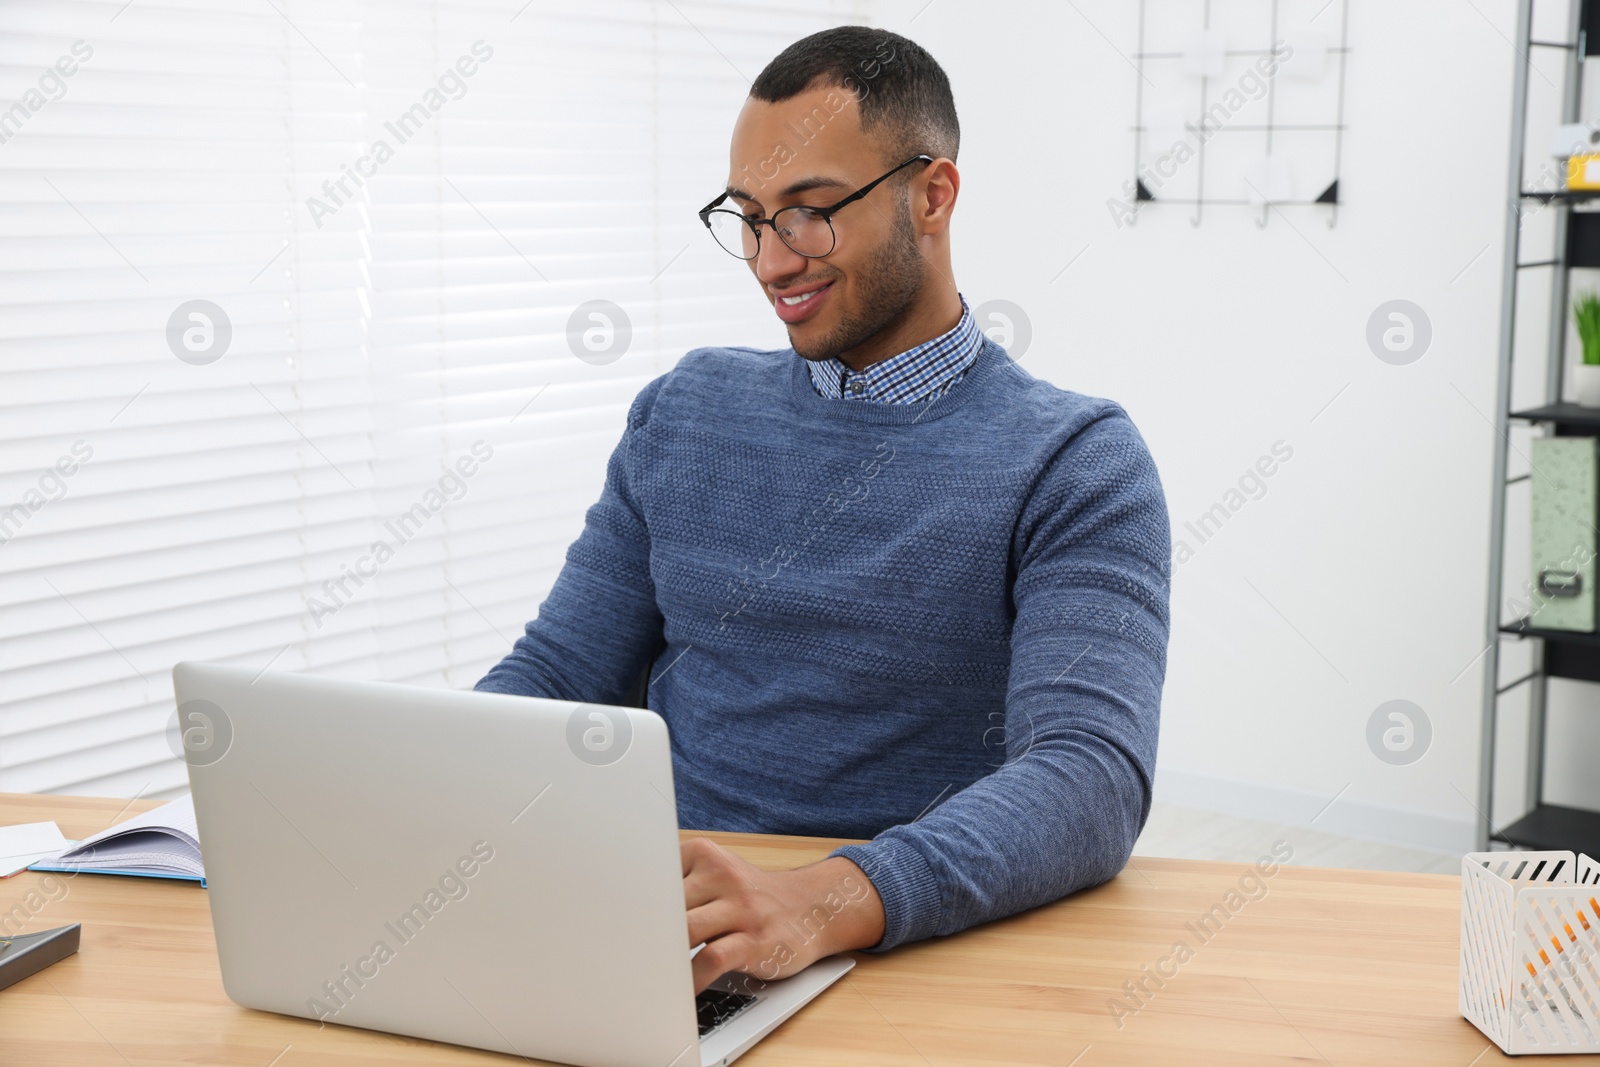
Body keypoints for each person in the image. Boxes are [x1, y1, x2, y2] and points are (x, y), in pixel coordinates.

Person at [475, 25, 1170, 994]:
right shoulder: (686, 410)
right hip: (680, 940)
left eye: (808, 213)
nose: (770, 260)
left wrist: (821, 900)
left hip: (910, 948)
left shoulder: (1074, 460)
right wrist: (427, 797)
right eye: (749, 217)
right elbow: (558, 672)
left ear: (932, 195)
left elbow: (1088, 775)